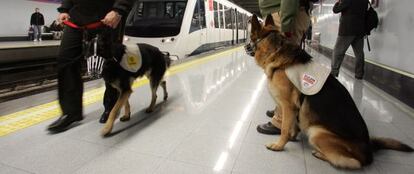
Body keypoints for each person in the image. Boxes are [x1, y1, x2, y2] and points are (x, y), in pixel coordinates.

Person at [47, 0, 134, 133]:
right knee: (66, 60)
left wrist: (119, 10)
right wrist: (65, 9)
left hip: (107, 18)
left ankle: (111, 107)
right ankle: (71, 112)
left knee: (110, 64)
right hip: (75, 18)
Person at [256, 0, 311, 135]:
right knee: (279, 71)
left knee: (282, 71)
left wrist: (286, 25)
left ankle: (280, 122)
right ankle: (280, 109)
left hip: (285, 18)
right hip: (284, 16)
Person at [331, 0, 368, 79]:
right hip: (359, 30)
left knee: (338, 52)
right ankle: (359, 74)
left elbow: (335, 10)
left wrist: (338, 2)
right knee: (359, 54)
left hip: (347, 30)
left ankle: (333, 73)